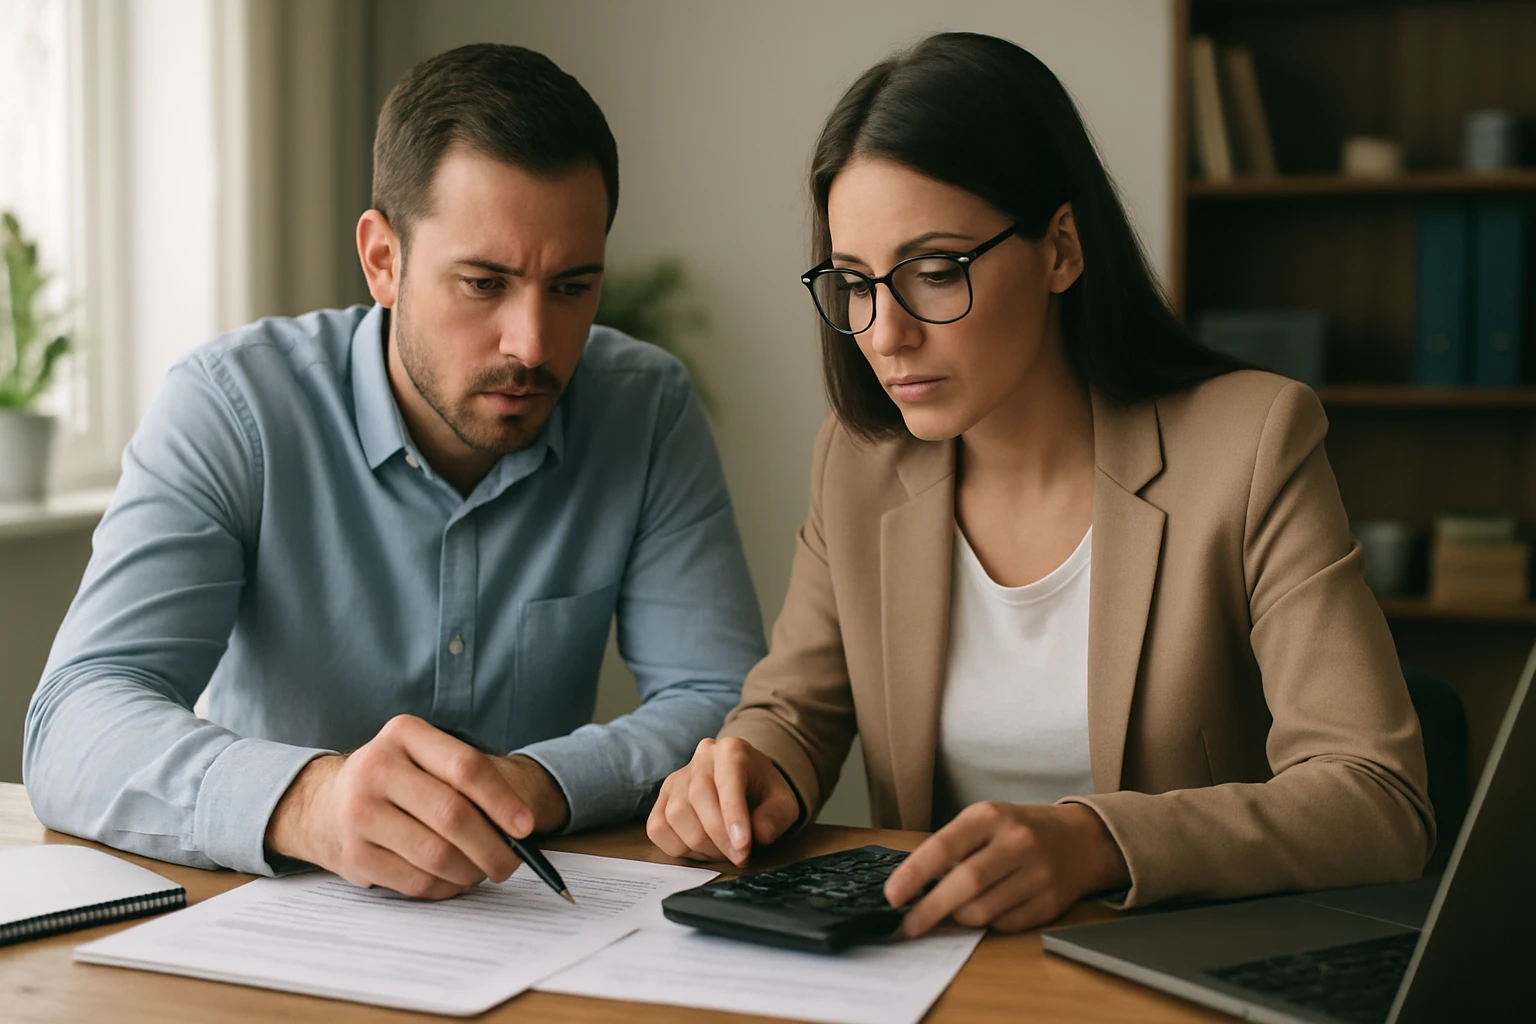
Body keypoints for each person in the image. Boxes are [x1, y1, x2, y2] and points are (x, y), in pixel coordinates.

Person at [647, 32, 1433, 936]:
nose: (885, 333)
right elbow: (797, 707)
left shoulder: (1252, 444)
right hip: (947, 970)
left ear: (1061, 248)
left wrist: (1094, 841)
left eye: (935, 272)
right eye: (854, 283)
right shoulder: (859, 463)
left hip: (1179, 967)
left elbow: (1378, 801)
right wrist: (749, 769)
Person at [24, 43, 765, 901]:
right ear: (382, 259)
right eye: (483, 282)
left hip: (534, 922)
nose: (532, 343)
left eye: (571, 287)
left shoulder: (644, 407)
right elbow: (75, 718)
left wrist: (538, 781)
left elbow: (723, 703)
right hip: (271, 922)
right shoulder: (231, 407)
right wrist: (311, 803)